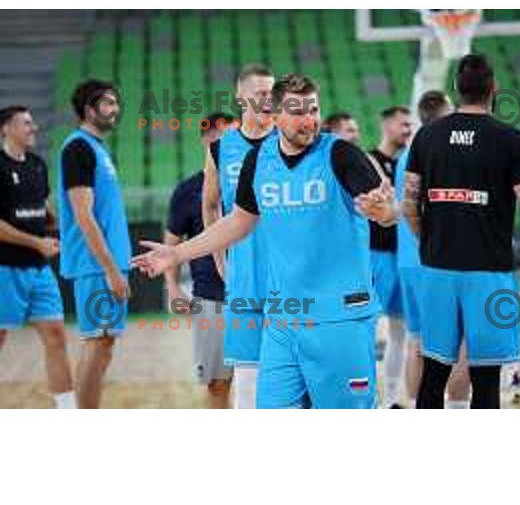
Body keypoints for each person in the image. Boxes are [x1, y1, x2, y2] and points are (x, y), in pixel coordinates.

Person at [132, 73, 392, 409]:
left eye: (313, 110)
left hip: (339, 316)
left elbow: (387, 210)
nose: (309, 120)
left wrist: (384, 211)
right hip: (282, 319)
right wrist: (177, 253)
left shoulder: (341, 155)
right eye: (297, 111)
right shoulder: (258, 161)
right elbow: (239, 221)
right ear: (277, 113)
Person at [401, 55, 520, 408]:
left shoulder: (426, 136)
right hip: (489, 276)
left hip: (437, 272)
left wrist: (427, 242)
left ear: (457, 90)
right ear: (494, 90)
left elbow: (409, 205)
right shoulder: (510, 139)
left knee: (433, 375)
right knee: (486, 379)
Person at [201, 64, 275, 409]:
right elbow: (210, 206)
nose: (269, 100)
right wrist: (220, 261)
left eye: (272, 93)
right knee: (247, 374)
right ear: (240, 97)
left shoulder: (288, 140)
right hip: (244, 274)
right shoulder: (221, 148)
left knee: (296, 371)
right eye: (261, 93)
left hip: (290, 275)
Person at [58, 80, 131, 409]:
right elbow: (83, 216)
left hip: (105, 264)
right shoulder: (78, 148)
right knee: (96, 342)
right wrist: (110, 269)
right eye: (109, 103)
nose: (115, 109)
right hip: (95, 266)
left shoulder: (96, 148)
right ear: (90, 109)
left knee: (104, 345)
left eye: (116, 103)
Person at [394, 91, 470, 409]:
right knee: (461, 341)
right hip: (438, 259)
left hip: (408, 261)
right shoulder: (445, 153)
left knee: (417, 339)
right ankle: (454, 409)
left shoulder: (405, 155)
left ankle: (416, 407)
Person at [0, 106, 75, 409]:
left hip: (38, 267)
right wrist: (36, 242)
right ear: (6, 128)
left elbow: (41, 208)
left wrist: (66, 230)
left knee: (56, 334)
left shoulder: (37, 164)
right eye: (26, 123)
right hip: (5, 266)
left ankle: (67, 410)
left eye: (33, 122)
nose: (34, 128)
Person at [164, 113, 232, 408]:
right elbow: (171, 243)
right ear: (208, 140)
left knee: (262, 379)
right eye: (225, 135)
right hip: (211, 296)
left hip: (256, 295)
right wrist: (174, 288)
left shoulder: (254, 181)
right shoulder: (188, 190)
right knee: (218, 384)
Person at [367, 105, 413, 408]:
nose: (409, 130)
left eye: (411, 125)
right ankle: (365, 396)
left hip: (405, 256)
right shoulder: (368, 160)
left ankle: (393, 399)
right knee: (366, 330)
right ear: (387, 126)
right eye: (403, 124)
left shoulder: (414, 162)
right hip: (376, 255)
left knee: (401, 332)